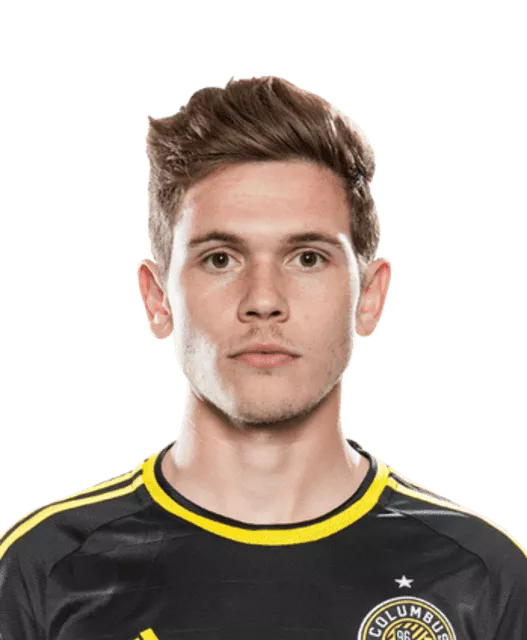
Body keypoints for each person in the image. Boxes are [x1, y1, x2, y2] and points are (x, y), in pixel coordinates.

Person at [0, 74, 525, 640]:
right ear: (157, 301)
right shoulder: (45, 574)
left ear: (370, 299)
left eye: (308, 257)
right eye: (220, 259)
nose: (264, 300)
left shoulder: (482, 580)